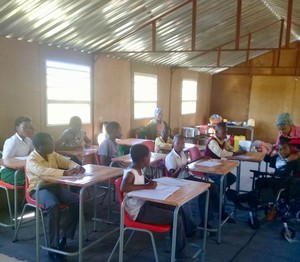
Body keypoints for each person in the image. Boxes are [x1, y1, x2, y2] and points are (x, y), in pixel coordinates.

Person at [121, 143, 190, 259]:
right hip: (138, 211)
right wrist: (147, 186)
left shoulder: (139, 169)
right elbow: (124, 187)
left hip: (144, 203)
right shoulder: (131, 172)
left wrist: (148, 185)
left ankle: (187, 232)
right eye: (149, 156)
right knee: (175, 217)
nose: (150, 158)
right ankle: (180, 254)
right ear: (144, 159)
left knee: (176, 207)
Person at [26, 132, 85, 262]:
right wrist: (64, 172)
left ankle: (64, 236)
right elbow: (43, 172)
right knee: (53, 205)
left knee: (76, 200)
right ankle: (52, 246)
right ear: (40, 147)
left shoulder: (51, 154)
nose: (53, 145)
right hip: (39, 189)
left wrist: (77, 167)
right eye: (50, 144)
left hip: (54, 187)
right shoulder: (31, 159)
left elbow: (66, 161)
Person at [165, 134, 233, 226]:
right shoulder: (170, 157)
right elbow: (172, 177)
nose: (180, 145)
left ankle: (215, 214)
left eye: (182, 143)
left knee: (211, 186)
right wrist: (180, 168)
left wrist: (197, 160)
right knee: (206, 190)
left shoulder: (182, 153)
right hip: (180, 182)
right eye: (178, 143)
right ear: (173, 143)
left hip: (188, 177)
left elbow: (187, 164)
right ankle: (208, 221)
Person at [205, 122, 245, 189]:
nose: (226, 135)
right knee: (223, 181)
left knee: (232, 178)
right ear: (217, 132)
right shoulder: (212, 141)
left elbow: (230, 148)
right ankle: (218, 195)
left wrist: (237, 151)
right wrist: (235, 153)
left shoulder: (222, 140)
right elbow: (221, 153)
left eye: (226, 132)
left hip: (217, 166)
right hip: (208, 167)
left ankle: (217, 192)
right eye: (223, 132)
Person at [0, 116, 34, 185]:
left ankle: (29, 194)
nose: (28, 130)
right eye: (24, 127)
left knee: (36, 176)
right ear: (17, 128)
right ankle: (28, 195)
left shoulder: (29, 140)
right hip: (8, 171)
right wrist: (20, 163)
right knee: (32, 179)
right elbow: (5, 161)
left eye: (30, 128)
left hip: (23, 169)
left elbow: (33, 153)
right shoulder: (11, 142)